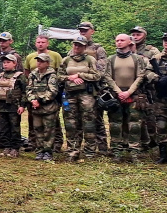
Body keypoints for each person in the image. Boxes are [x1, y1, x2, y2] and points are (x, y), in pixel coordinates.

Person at [104, 33, 148, 162]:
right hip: (116, 96)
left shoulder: (137, 59)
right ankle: (116, 151)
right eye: (117, 40)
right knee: (115, 125)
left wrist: (129, 92)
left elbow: (140, 76)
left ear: (130, 42)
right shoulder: (111, 59)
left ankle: (134, 151)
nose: (119, 42)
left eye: (122, 40)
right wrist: (119, 92)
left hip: (134, 96)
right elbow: (107, 77)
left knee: (135, 125)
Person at [57, 36, 101, 161]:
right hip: (69, 94)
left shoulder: (90, 59)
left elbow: (97, 75)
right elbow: (59, 76)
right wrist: (69, 78)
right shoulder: (66, 60)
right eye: (75, 45)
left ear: (85, 46)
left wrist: (80, 75)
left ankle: (89, 152)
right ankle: (72, 151)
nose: (77, 47)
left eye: (80, 45)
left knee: (88, 123)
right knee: (70, 123)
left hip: (86, 95)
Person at [70, 21, 109, 154]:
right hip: (76, 89)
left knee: (96, 119)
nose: (83, 31)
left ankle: (102, 147)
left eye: (85, 30)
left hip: (94, 89)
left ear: (92, 31)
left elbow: (101, 71)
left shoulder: (98, 49)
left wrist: (81, 76)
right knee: (78, 120)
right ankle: (78, 147)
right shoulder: (73, 48)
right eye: (81, 30)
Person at [24, 34, 64, 153]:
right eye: (38, 42)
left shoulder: (55, 57)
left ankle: (53, 146)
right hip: (35, 100)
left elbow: (58, 79)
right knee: (37, 126)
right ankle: (37, 146)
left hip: (50, 101)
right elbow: (28, 81)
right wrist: (33, 100)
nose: (40, 44)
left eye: (43, 42)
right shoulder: (31, 60)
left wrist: (41, 100)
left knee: (51, 125)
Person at [0, 32, 24, 151]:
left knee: (13, 123)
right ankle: (0, 141)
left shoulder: (16, 56)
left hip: (12, 92)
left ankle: (14, 145)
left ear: (10, 41)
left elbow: (20, 77)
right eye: (0, 40)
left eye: (4, 40)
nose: (2, 42)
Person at [130, 26, 160, 150]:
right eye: (134, 34)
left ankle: (154, 142)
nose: (136, 37)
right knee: (135, 116)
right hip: (133, 88)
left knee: (150, 116)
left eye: (139, 34)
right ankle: (139, 142)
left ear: (144, 35)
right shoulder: (127, 49)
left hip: (149, 89)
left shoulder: (152, 51)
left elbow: (159, 67)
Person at [0, 54, 27, 157]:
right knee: (3, 128)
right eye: (4, 62)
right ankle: (6, 147)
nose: (5, 64)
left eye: (8, 62)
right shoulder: (0, 76)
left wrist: (22, 105)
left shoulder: (20, 76)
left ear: (14, 64)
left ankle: (15, 148)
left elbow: (25, 92)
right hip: (1, 107)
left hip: (14, 107)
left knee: (14, 128)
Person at [26, 53, 60, 161]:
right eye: (38, 61)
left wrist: (40, 100)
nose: (39, 63)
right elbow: (28, 89)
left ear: (47, 63)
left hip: (48, 108)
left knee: (48, 131)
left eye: (41, 61)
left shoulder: (52, 75)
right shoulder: (33, 74)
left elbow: (53, 91)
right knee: (38, 129)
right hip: (36, 108)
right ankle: (39, 151)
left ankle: (48, 152)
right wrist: (32, 100)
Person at [154, 33, 167, 163]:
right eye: (165, 41)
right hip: (161, 99)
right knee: (161, 125)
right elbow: (146, 72)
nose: (166, 43)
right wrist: (156, 78)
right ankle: (163, 154)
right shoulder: (156, 58)